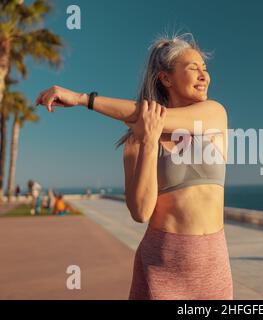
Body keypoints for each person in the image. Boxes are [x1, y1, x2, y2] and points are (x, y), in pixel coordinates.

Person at [35, 32, 231, 300]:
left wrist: (82, 99)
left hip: (213, 268)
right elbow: (140, 212)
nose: (204, 76)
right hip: (160, 267)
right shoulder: (135, 144)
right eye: (193, 68)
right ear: (166, 78)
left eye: (205, 69)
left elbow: (149, 115)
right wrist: (150, 142)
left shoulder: (214, 115)